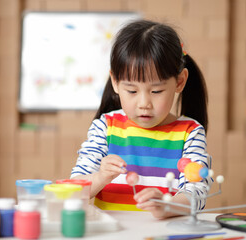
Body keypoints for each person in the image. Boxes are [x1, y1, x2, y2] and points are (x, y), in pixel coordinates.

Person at [70, 19, 212, 219]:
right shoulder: (106, 127)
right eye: (132, 90)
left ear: (179, 82)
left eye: (156, 90)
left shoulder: (190, 132)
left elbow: (196, 195)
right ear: (116, 82)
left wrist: (166, 205)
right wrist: (100, 177)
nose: (144, 103)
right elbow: (73, 191)